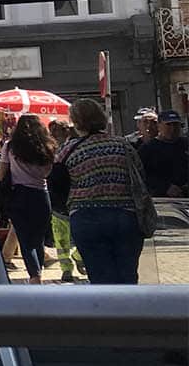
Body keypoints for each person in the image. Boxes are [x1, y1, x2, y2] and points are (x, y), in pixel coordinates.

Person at [53, 98, 148, 284]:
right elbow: (140, 178)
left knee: (100, 278)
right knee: (127, 275)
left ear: (76, 122)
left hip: (87, 218)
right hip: (126, 217)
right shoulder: (123, 145)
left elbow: (56, 186)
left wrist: (69, 207)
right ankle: (131, 311)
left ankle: (106, 311)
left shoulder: (67, 150)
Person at [0, 115, 55, 282]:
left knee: (24, 238)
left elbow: (1, 174)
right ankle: (39, 272)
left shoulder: (10, 147)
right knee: (38, 238)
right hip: (41, 195)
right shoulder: (47, 147)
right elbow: (49, 172)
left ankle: (34, 275)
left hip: (18, 195)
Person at [47, 121, 84, 282]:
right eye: (51, 130)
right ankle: (66, 269)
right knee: (60, 239)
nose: (54, 133)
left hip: (76, 199)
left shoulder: (74, 147)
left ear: (66, 130)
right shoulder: (48, 149)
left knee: (82, 236)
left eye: (57, 130)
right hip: (57, 202)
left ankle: (78, 256)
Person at [136, 110, 186, 197]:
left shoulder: (185, 144)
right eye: (168, 125)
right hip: (160, 199)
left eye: (175, 125)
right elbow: (139, 175)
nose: (172, 129)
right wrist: (165, 187)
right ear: (159, 126)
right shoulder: (147, 149)